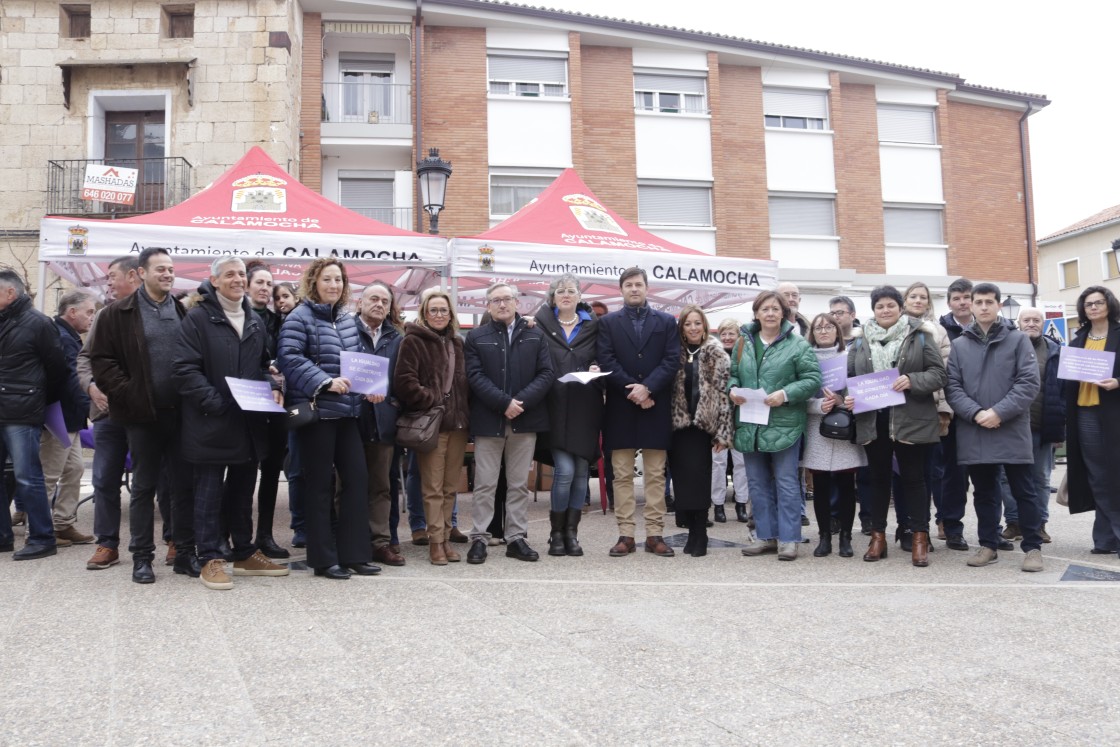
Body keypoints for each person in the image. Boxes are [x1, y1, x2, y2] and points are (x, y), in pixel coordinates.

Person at [174, 257, 290, 590]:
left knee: (242, 491)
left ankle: (243, 551)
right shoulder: (197, 319)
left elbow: (262, 367)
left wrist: (273, 386)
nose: (238, 279)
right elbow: (183, 370)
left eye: (241, 274)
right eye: (230, 274)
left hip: (247, 422)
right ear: (214, 280)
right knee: (208, 493)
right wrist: (217, 403)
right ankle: (210, 556)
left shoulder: (253, 320)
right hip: (211, 420)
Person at [90, 247, 198, 583]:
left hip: (180, 415)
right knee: (143, 488)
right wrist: (128, 393)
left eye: (170, 269)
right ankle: (142, 558)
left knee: (182, 487)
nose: (167, 274)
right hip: (141, 416)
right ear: (141, 273)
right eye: (160, 269)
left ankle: (183, 552)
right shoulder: (115, 313)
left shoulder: (182, 311)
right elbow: (102, 361)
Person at [277, 257, 379, 580]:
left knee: (357, 480)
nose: (334, 285)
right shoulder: (298, 317)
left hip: (348, 412)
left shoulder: (348, 321)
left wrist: (370, 387)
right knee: (319, 486)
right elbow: (289, 358)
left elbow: (354, 363)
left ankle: (354, 554)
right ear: (313, 283)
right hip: (318, 413)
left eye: (338, 280)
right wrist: (325, 381)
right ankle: (322, 559)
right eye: (327, 280)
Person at [945, 283, 1043, 570]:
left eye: (990, 301)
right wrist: (976, 413)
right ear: (972, 306)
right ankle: (988, 545)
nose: (984, 307)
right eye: (979, 302)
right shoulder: (960, 345)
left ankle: (1033, 547)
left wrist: (999, 412)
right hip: (975, 428)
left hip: (1011, 427)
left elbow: (1028, 383)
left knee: (1024, 491)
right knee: (985, 492)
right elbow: (953, 387)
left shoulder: (1018, 340)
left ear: (999, 305)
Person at [849, 285, 946, 566]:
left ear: (900, 307)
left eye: (891, 305)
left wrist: (913, 381)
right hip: (873, 419)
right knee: (878, 480)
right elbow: (852, 376)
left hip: (911, 418)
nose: (886, 310)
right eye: (880, 306)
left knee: (914, 479)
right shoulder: (859, 340)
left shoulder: (921, 335)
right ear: (873, 310)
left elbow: (939, 374)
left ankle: (919, 538)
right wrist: (851, 397)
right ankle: (878, 537)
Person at [463, 283, 553, 564]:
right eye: (496, 300)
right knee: (485, 483)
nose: (502, 304)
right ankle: (479, 538)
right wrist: (504, 403)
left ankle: (516, 538)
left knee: (517, 484)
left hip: (525, 421)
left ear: (517, 302)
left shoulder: (535, 336)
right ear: (488, 306)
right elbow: (474, 376)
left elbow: (546, 374)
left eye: (506, 299)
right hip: (490, 420)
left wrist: (520, 403)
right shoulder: (476, 337)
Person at [597, 267, 681, 558]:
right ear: (621, 290)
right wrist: (633, 391)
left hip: (655, 406)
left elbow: (672, 360)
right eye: (629, 285)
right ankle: (626, 534)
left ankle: (655, 534)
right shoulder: (607, 322)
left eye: (639, 285)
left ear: (647, 289)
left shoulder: (667, 321)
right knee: (621, 475)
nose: (634, 289)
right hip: (621, 407)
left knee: (656, 474)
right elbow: (605, 359)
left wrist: (648, 389)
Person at [733, 290, 821, 561]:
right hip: (751, 422)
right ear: (756, 313)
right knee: (757, 483)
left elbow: (812, 379)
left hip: (784, 422)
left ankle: (789, 538)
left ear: (783, 313)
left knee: (786, 482)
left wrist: (784, 394)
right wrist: (732, 388)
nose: (770, 313)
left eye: (775, 309)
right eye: (765, 309)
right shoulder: (742, 344)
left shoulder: (798, 345)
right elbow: (732, 374)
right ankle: (765, 536)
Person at [394, 288, 470, 565]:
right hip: (432, 424)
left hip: (458, 425)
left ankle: (447, 537)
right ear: (425, 313)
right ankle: (435, 541)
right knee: (433, 487)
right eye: (433, 310)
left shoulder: (458, 343)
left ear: (451, 314)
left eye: (444, 310)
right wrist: (433, 399)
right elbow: (404, 381)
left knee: (451, 487)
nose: (439, 314)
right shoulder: (412, 341)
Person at [78, 256, 143, 570]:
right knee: (104, 479)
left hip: (146, 412)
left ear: (132, 276)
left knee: (155, 478)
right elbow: (84, 359)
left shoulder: (159, 313)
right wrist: (91, 386)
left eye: (112, 275)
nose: (108, 282)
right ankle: (106, 544)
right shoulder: (104, 316)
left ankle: (172, 539)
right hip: (107, 413)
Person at [534, 274, 603, 557]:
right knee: (564, 471)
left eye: (571, 291)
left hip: (585, 407)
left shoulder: (593, 326)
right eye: (560, 291)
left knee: (580, 474)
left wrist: (598, 367)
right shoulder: (539, 325)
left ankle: (572, 534)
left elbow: (603, 356)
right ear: (553, 297)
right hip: (554, 408)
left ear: (578, 296)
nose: (565, 295)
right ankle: (555, 534)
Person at [0, 269, 67, 559]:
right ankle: (3, 536)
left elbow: (58, 369)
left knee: (28, 476)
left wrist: (36, 399)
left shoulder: (39, 323)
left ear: (10, 293)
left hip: (22, 411)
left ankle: (42, 538)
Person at [670, 305, 733, 556]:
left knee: (700, 478)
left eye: (698, 323)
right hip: (678, 426)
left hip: (703, 427)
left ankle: (701, 532)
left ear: (705, 326)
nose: (693, 328)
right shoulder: (674, 353)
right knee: (682, 481)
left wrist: (723, 433)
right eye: (688, 324)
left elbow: (724, 395)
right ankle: (690, 531)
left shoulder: (717, 353)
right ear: (682, 328)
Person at [803, 313, 866, 558]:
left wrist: (845, 400)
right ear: (813, 333)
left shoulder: (849, 357)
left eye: (829, 326)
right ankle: (825, 537)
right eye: (819, 328)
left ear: (837, 330)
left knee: (846, 484)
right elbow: (798, 395)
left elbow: (862, 390)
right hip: (817, 427)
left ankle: (846, 538)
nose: (824, 331)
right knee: (820, 485)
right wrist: (818, 405)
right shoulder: (804, 357)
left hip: (844, 425)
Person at [1063, 286, 1120, 557]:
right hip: (1084, 414)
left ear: (1109, 305)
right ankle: (1106, 539)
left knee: (1115, 474)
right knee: (1097, 476)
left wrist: (1118, 382)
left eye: (1099, 302)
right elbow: (1068, 382)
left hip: (1113, 413)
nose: (1094, 307)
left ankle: (1112, 536)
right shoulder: (1078, 339)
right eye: (1089, 304)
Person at [354, 281, 406, 567]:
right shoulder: (346, 331)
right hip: (351, 418)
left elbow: (401, 379)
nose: (379, 305)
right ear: (359, 303)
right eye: (373, 299)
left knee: (381, 486)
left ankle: (380, 543)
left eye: (384, 301)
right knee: (346, 485)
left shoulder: (396, 338)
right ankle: (350, 539)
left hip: (384, 421)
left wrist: (393, 404)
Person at [900, 281, 952, 550]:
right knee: (902, 474)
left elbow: (944, 373)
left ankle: (924, 529)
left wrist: (944, 408)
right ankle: (905, 527)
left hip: (929, 408)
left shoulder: (938, 331)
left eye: (923, 297)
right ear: (905, 299)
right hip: (897, 410)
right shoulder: (894, 328)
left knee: (926, 473)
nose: (918, 301)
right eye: (913, 296)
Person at [41, 289, 96, 546]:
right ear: (71, 312)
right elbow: (72, 381)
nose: (92, 318)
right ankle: (40, 531)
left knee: (74, 469)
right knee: (49, 474)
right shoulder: (62, 338)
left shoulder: (69, 336)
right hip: (57, 416)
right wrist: (92, 405)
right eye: (89, 312)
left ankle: (63, 524)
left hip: (68, 416)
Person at [243, 261, 289, 559]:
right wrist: (269, 375)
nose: (265, 288)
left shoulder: (279, 321)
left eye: (268, 284)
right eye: (259, 282)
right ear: (247, 286)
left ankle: (265, 535)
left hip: (276, 406)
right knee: (244, 473)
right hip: (248, 405)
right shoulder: (240, 317)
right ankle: (241, 536)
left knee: (272, 472)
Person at [1013, 307, 1065, 544]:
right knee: (1006, 478)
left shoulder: (1056, 351)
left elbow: (1062, 392)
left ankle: (1039, 524)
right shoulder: (1008, 347)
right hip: (1011, 426)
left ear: (1043, 324)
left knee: (1041, 478)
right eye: (1027, 320)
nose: (1031, 323)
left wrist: (1060, 427)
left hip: (1042, 426)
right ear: (1019, 323)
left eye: (1036, 320)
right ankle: (1014, 523)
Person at [936, 277, 977, 551]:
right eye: (957, 298)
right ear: (949, 303)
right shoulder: (939, 330)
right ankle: (951, 526)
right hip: (952, 411)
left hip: (984, 413)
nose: (962, 302)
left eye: (967, 297)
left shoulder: (992, 328)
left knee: (988, 474)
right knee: (953, 474)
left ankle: (991, 529)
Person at [272, 280, 306, 547]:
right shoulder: (275, 326)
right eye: (277, 298)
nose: (281, 301)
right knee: (294, 469)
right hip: (287, 406)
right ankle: (300, 526)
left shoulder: (304, 322)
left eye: (285, 296)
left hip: (304, 402)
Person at [712, 318, 750, 524]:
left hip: (741, 415)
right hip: (719, 417)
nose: (727, 337)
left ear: (738, 337)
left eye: (731, 334)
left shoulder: (745, 358)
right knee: (718, 462)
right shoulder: (715, 358)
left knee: (741, 462)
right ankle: (718, 504)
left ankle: (741, 503)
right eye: (724, 333)